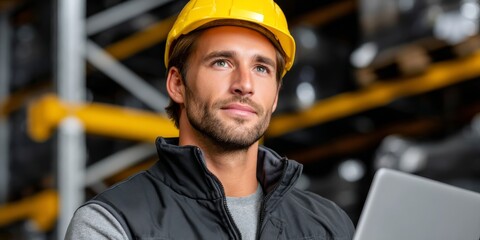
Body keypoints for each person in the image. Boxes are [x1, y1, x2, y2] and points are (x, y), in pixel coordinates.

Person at [65, 0, 355, 239]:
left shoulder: (329, 225)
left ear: (276, 95)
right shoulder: (113, 223)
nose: (244, 84)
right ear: (177, 85)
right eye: (221, 62)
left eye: (262, 68)